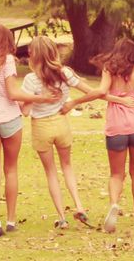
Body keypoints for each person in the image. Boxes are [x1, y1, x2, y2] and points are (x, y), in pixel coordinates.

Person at [0, 24, 59, 238]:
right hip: (8, 119)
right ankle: (10, 219)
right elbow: (13, 94)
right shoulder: (6, 61)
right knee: (11, 169)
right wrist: (40, 98)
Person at [63, 38, 134, 233]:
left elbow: (100, 92)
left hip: (116, 127)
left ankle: (114, 204)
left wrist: (74, 103)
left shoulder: (109, 69)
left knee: (116, 174)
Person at [19, 36, 95, 229]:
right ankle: (79, 205)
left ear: (32, 55)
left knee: (51, 172)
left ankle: (62, 218)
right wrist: (71, 104)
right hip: (61, 124)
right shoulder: (65, 73)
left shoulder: (30, 80)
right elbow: (91, 91)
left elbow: (25, 111)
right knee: (67, 166)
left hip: (41, 127)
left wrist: (35, 98)